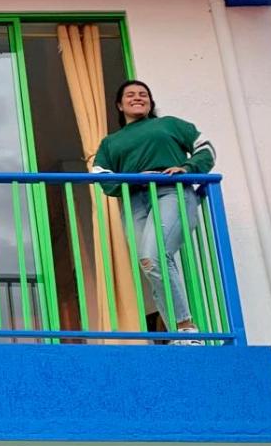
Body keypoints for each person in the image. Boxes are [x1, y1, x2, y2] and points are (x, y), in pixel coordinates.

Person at [92, 80, 216, 345]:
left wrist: (188, 168)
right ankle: (180, 336)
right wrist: (131, 179)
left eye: (143, 94)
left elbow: (205, 149)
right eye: (130, 95)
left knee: (154, 255)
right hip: (134, 200)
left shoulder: (169, 124)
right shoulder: (110, 142)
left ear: (150, 102)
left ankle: (185, 327)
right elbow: (100, 173)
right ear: (119, 105)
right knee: (150, 263)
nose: (138, 98)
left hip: (170, 191)